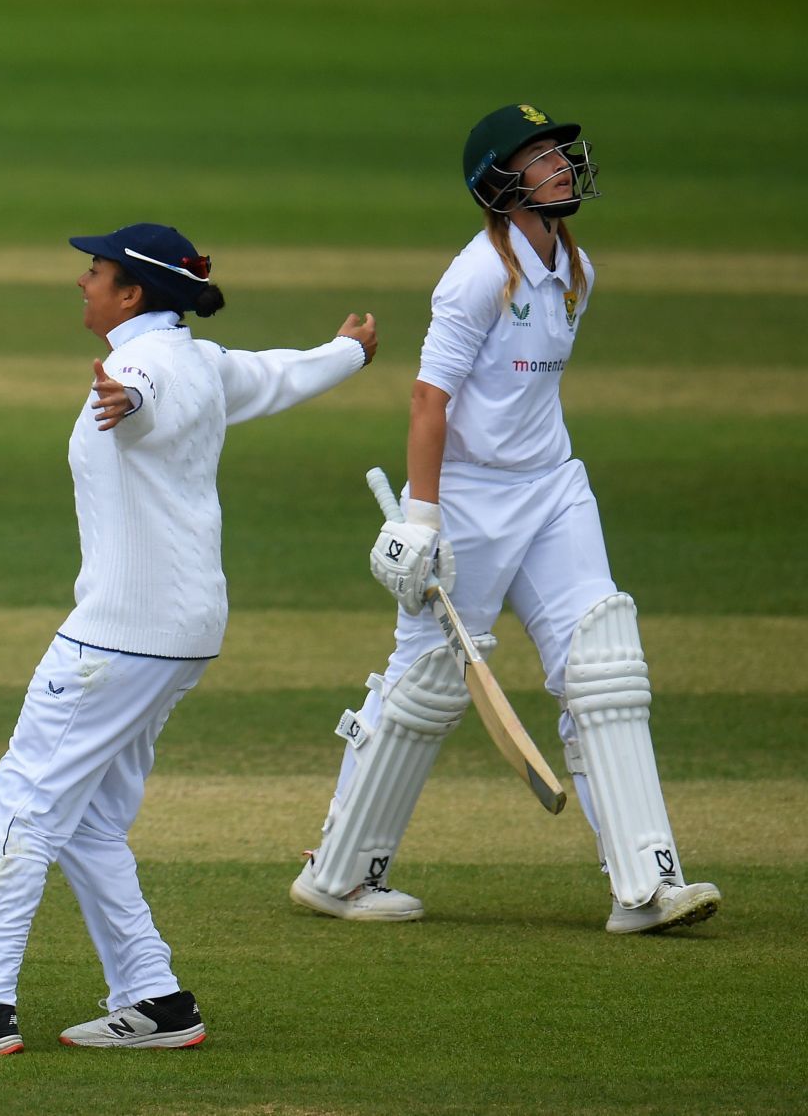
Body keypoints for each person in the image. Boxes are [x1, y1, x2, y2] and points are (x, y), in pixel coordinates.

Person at [0, 224, 377, 1053]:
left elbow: (143, 398)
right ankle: (156, 999)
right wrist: (348, 352)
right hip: (180, 631)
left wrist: (128, 401)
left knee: (22, 807)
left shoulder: (140, 367)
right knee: (86, 822)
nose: (83, 281)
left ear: (135, 293)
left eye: (97, 271)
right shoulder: (207, 363)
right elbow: (280, 373)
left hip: (119, 636)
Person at [288, 104, 722, 934]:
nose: (563, 165)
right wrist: (422, 518)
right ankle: (338, 872)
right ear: (502, 181)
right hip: (470, 499)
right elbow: (428, 398)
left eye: (562, 152)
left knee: (604, 667)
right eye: (543, 157)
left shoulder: (574, 266)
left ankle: (648, 884)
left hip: (553, 487)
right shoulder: (476, 276)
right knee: (426, 683)